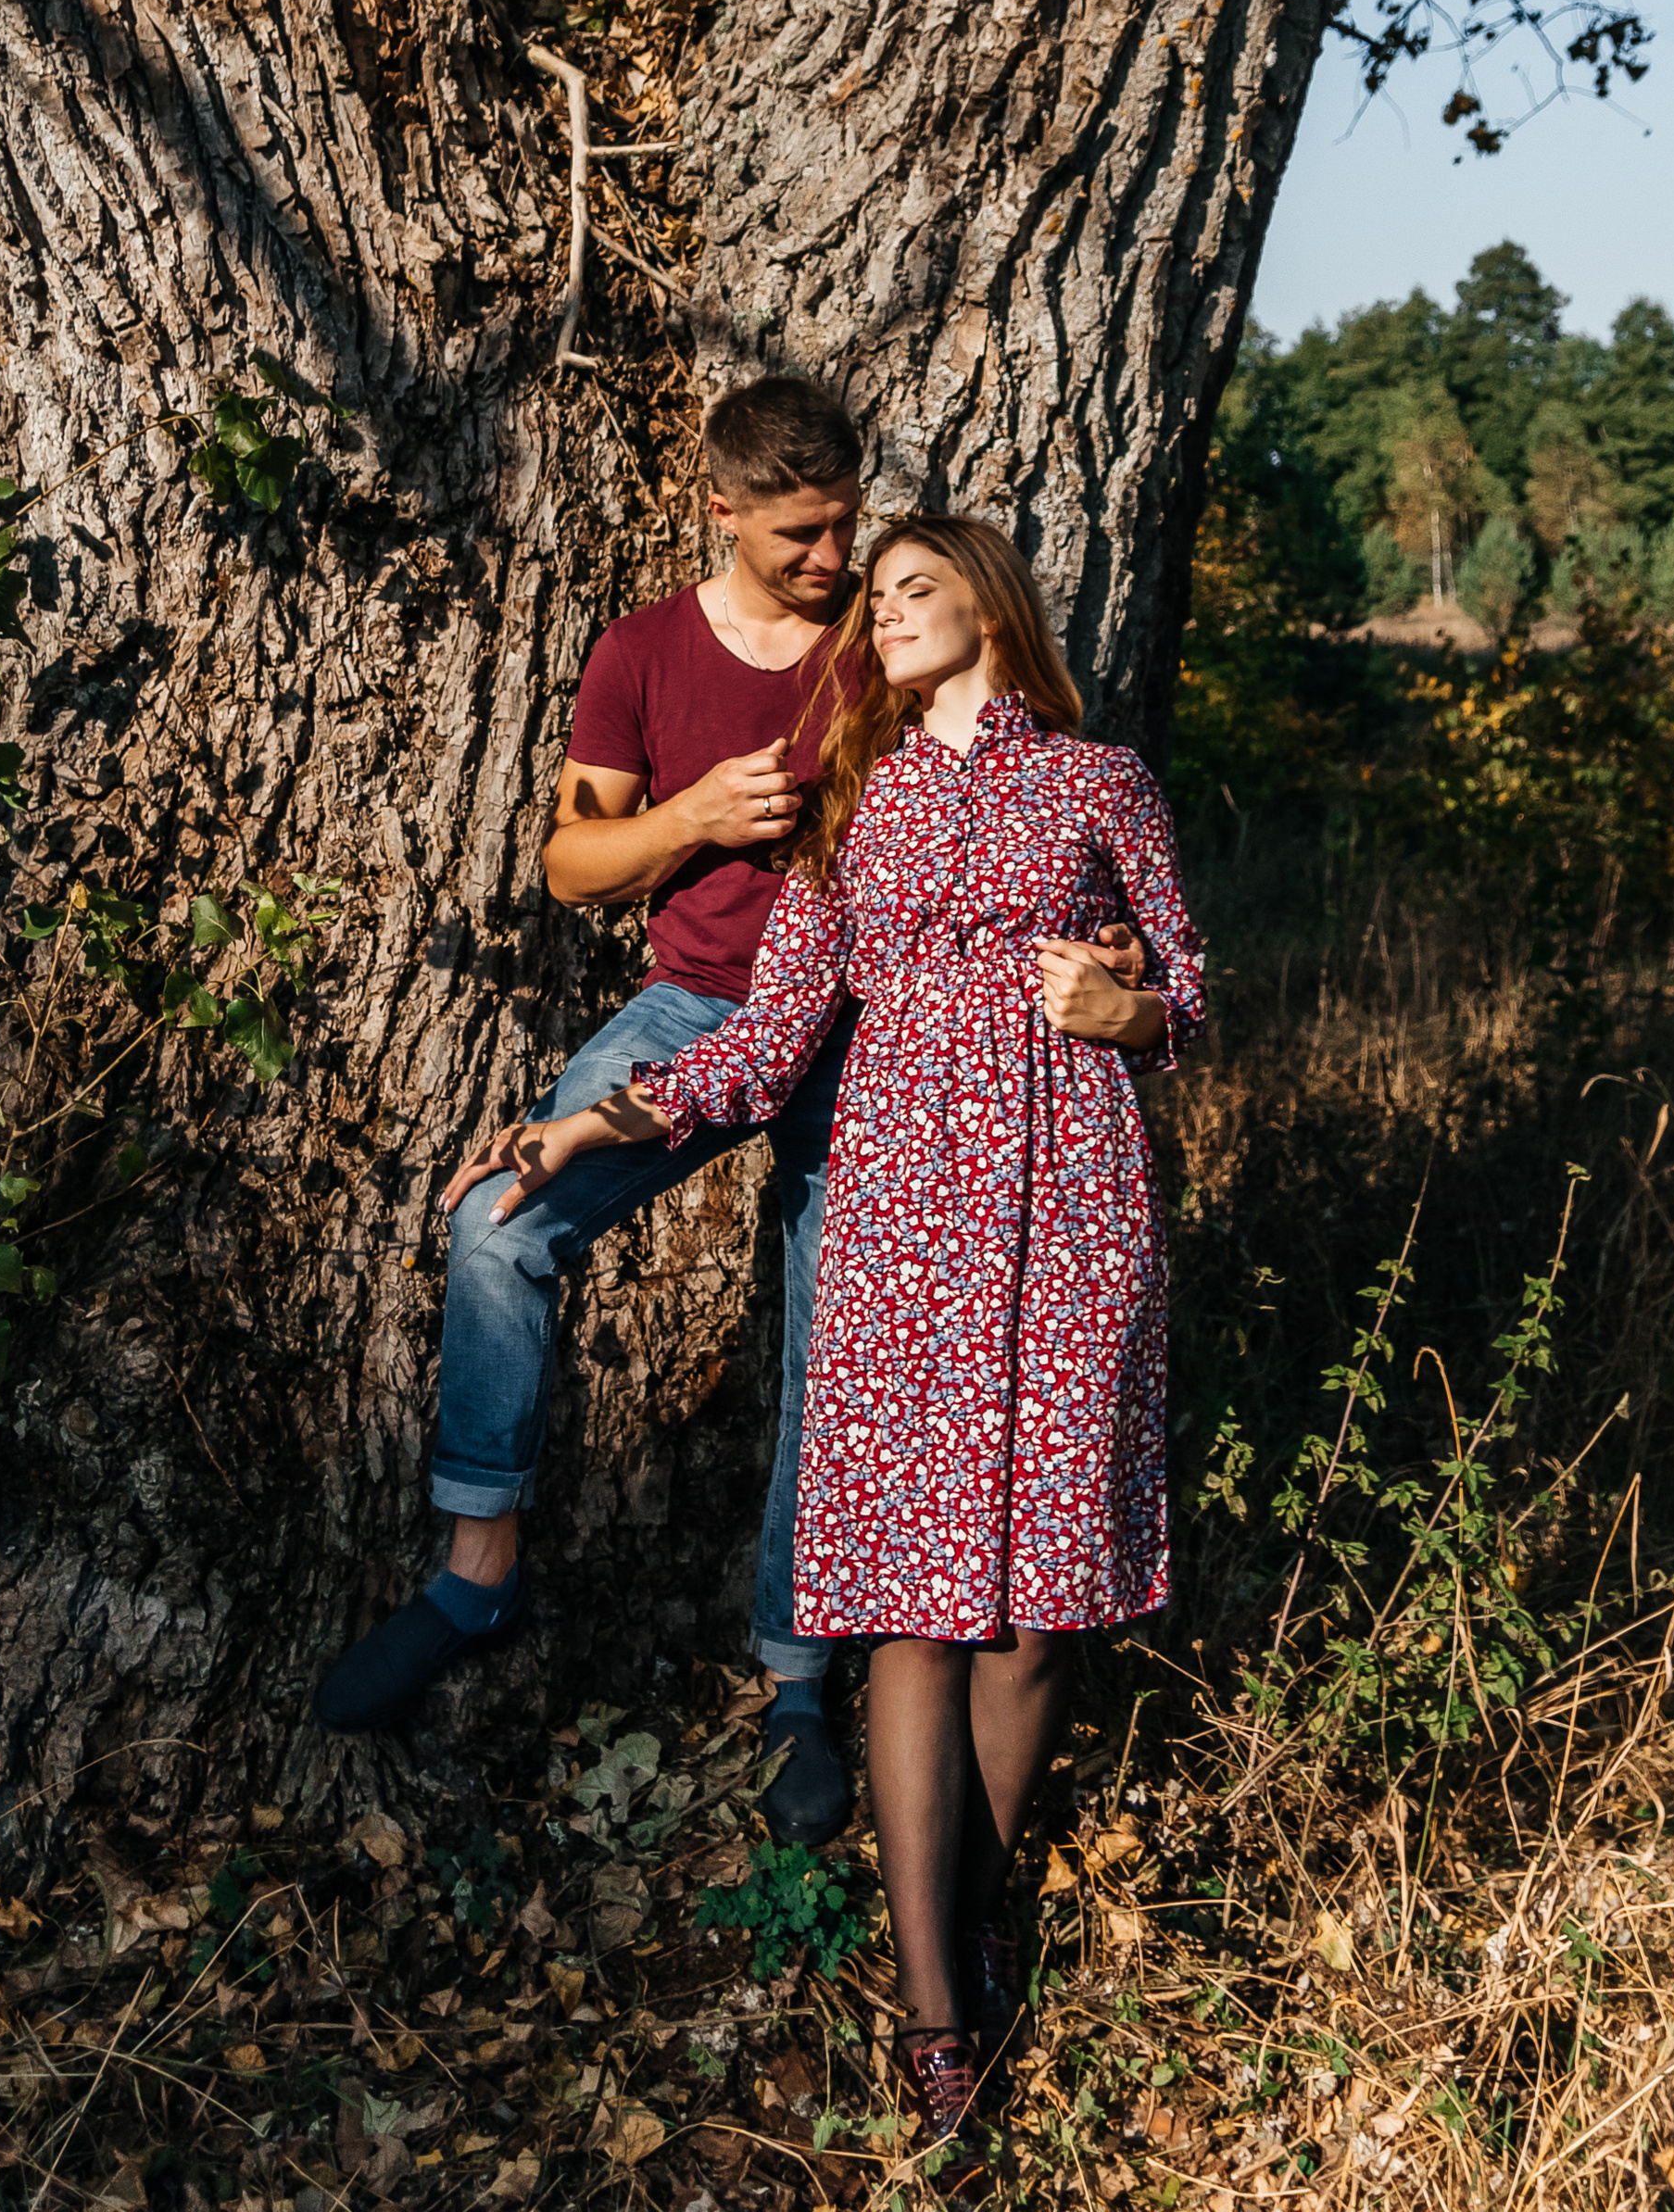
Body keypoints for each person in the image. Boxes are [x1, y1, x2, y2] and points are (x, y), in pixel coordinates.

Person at [463, 516, 1205, 2152]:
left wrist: (1126, 1009)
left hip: (1074, 1212)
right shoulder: (849, 801)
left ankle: (975, 1913)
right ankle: (939, 2011)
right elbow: (774, 1037)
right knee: (918, 1612)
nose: (893, 612)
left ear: (995, 607)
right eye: (878, 600)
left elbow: (1193, 994)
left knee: (1035, 1615)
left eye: (919, 586)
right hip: (903, 1222)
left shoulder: (1101, 782)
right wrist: (602, 1119)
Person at [313, 374, 868, 1829]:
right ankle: (472, 1574)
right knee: (502, 1223)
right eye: (800, 534)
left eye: (844, 527)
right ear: (723, 511)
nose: (830, 559)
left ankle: (798, 1680)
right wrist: (688, 819)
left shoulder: (888, 634)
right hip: (694, 1007)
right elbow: (569, 862)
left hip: (870, 1032)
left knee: (833, 1344)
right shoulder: (642, 652)